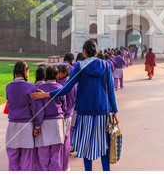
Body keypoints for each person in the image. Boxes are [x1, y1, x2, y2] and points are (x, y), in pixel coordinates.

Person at [31, 40, 119, 171]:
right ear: (96, 51)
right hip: (103, 112)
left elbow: (66, 89)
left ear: (84, 52)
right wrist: (115, 112)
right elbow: (111, 91)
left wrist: (46, 94)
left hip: (85, 112)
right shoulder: (105, 66)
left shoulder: (80, 66)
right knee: (104, 147)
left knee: (86, 148)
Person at [5, 61, 41, 171]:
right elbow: (35, 108)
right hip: (26, 126)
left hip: (12, 125)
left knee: (13, 157)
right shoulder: (30, 87)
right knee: (27, 159)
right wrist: (37, 125)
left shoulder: (8, 87)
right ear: (25, 72)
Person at [34, 65, 66, 171]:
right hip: (57, 122)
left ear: (45, 75)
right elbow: (64, 106)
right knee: (56, 153)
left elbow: (39, 110)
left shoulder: (39, 89)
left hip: (44, 123)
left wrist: (37, 126)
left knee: (43, 153)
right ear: (56, 75)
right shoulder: (60, 88)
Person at [56, 64, 77, 171]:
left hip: (62, 116)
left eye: (58, 72)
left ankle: (59, 165)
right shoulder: (73, 84)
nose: (56, 74)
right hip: (70, 114)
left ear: (64, 73)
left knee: (59, 142)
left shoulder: (59, 85)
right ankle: (65, 165)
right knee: (66, 139)